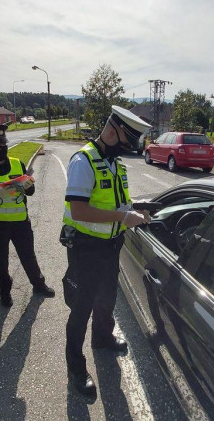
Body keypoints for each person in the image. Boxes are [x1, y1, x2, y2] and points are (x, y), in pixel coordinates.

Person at [61, 106, 151, 397]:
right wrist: (123, 218)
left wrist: (136, 208)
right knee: (81, 308)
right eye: (126, 142)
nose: (127, 149)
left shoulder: (116, 163)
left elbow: (116, 201)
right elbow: (79, 209)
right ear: (113, 131)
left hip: (112, 246)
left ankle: (102, 338)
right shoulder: (83, 161)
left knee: (107, 298)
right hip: (86, 248)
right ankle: (76, 368)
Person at [0, 123, 55, 307]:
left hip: (20, 222)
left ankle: (39, 285)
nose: (2, 148)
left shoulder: (17, 163)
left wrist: (28, 184)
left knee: (28, 256)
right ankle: (5, 293)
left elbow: (30, 192)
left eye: (4, 144)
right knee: (1, 262)